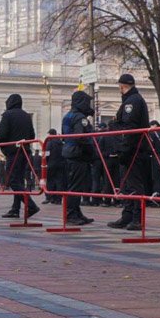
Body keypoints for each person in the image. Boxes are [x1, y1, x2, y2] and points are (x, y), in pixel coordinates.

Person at [107, 73, 151, 230]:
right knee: (126, 184)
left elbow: (129, 128)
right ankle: (127, 216)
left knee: (134, 184)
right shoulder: (132, 100)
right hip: (131, 148)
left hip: (133, 150)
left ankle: (137, 218)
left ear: (121, 86)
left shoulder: (132, 102)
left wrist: (124, 148)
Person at [0, 93, 39, 220]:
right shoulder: (26, 115)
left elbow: (2, 135)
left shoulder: (7, 115)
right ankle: (15, 209)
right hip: (24, 152)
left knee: (12, 180)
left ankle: (31, 205)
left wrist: (4, 148)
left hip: (12, 152)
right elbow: (32, 135)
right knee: (19, 180)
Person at [61, 90, 97, 226]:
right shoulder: (80, 118)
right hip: (78, 154)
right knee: (75, 186)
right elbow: (81, 137)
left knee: (74, 185)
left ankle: (76, 212)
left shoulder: (68, 116)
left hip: (70, 153)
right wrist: (91, 153)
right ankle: (71, 214)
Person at [43, 129, 63, 205]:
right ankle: (58, 199)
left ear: (50, 134)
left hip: (51, 164)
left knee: (50, 181)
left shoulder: (49, 142)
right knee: (59, 181)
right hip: (60, 164)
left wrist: (46, 162)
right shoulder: (60, 142)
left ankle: (49, 197)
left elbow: (47, 154)